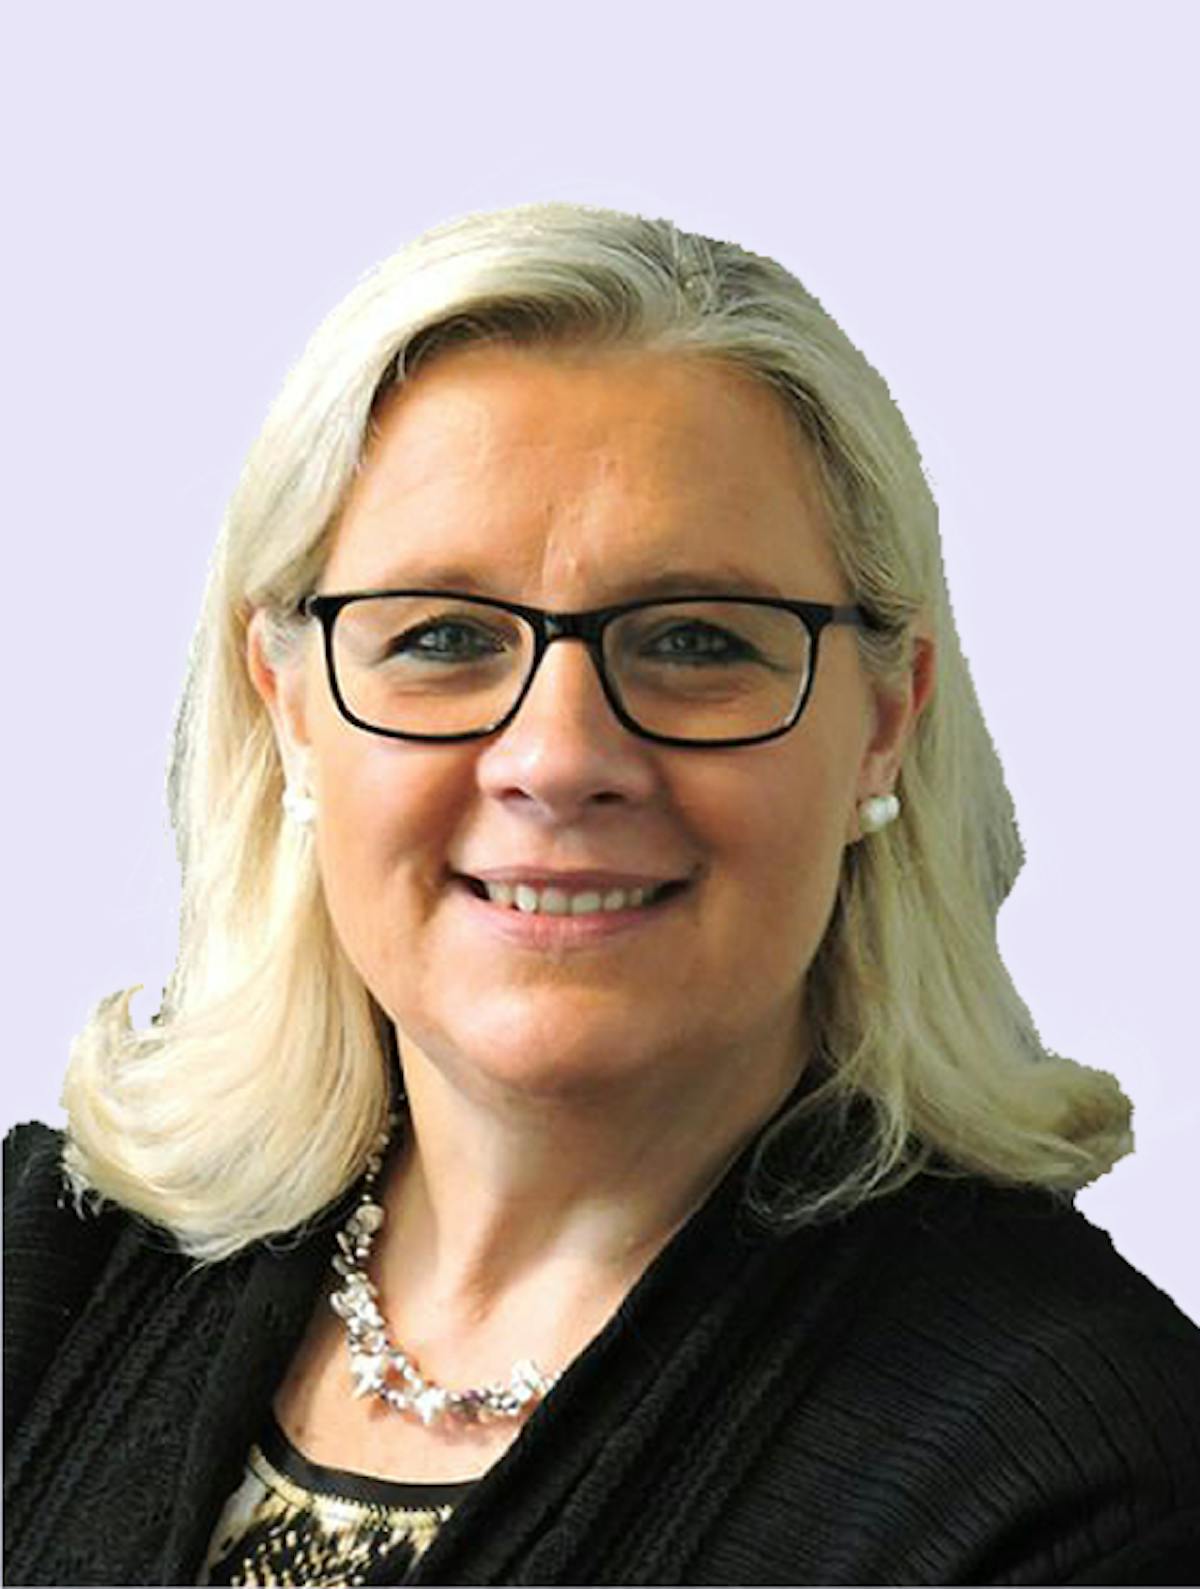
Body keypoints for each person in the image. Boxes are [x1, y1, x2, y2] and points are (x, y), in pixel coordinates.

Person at [4, 202, 1199, 1588]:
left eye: (696, 641)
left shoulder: (1087, 1481)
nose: (559, 759)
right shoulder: (44, 1265)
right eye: (441, 637)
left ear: (884, 720)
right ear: (289, 710)